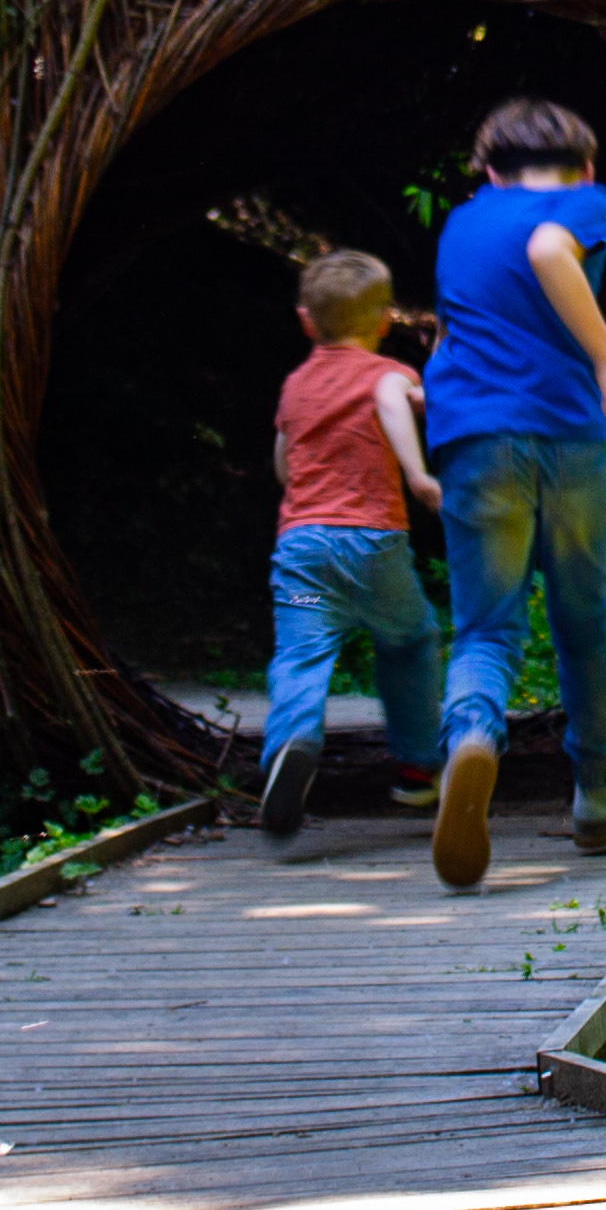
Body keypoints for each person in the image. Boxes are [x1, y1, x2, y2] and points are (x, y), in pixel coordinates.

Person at [418, 95, 606, 887]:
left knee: (486, 626)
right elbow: (550, 248)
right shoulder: (586, 202)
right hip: (573, 435)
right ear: (585, 166)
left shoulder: (462, 223)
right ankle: (596, 794)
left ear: (489, 172)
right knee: (584, 619)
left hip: (477, 438)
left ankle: (472, 737)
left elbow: (448, 336)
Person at [256, 247, 445, 842]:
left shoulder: (295, 385)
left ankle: (291, 741)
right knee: (410, 640)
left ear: (305, 321)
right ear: (385, 321)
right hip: (373, 548)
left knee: (301, 653)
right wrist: (416, 472)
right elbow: (395, 403)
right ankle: (417, 766)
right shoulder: (388, 374)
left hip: (304, 555)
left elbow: (284, 465)